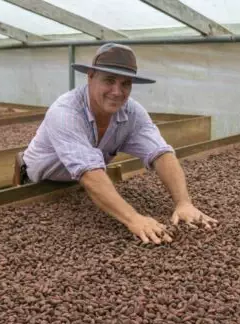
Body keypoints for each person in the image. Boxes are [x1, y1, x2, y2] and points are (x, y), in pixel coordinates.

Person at [13, 43, 216, 245]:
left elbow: (161, 153)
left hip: (78, 187)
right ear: (90, 77)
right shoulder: (66, 113)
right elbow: (89, 173)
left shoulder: (132, 113)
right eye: (109, 81)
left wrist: (184, 203)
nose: (117, 91)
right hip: (37, 187)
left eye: (125, 84)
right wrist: (133, 219)